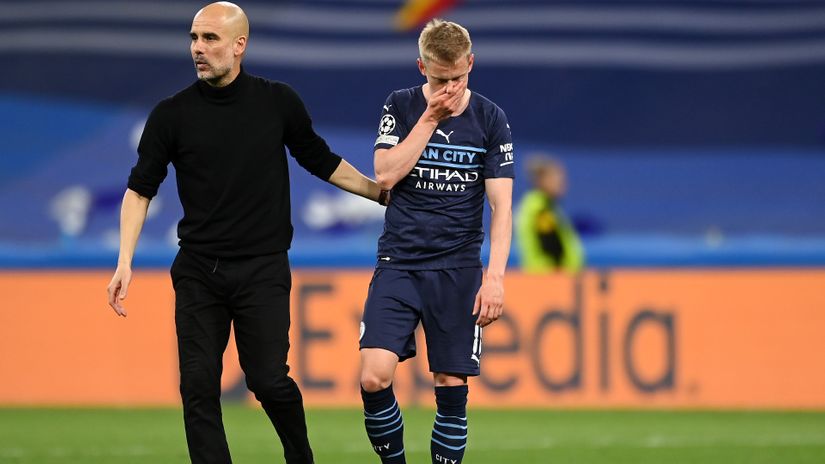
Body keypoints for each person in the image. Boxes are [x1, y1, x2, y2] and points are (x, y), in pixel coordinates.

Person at [105, 3, 386, 463]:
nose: (198, 48)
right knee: (197, 386)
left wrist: (381, 195)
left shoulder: (277, 102)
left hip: (262, 269)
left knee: (268, 381)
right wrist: (124, 261)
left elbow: (320, 159)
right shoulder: (171, 114)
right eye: (194, 38)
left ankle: (300, 455)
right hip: (198, 271)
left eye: (210, 38)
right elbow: (139, 191)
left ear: (239, 45)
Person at [358, 19, 513, 464]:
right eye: (440, 79)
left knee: (450, 385)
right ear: (421, 67)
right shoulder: (402, 105)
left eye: (458, 78)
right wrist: (430, 118)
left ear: (471, 63)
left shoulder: (490, 118)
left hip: (458, 269)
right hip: (400, 262)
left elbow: (502, 207)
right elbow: (385, 175)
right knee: (373, 377)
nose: (450, 89)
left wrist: (495, 279)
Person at [516, 155, 584, 273]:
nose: (561, 183)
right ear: (541, 180)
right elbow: (551, 246)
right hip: (548, 276)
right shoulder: (540, 209)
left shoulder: (543, 205)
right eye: (555, 178)